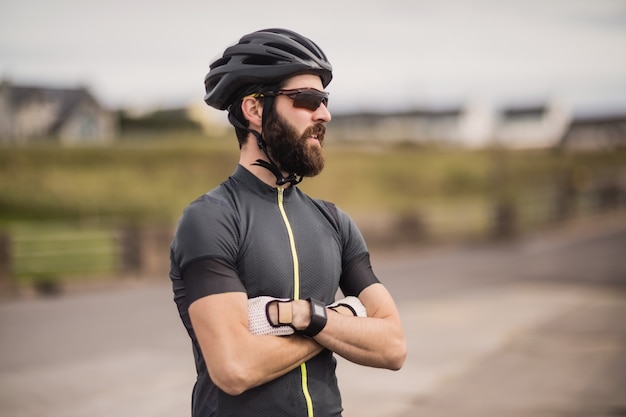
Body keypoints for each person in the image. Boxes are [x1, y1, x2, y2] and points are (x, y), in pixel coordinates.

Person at [169, 28, 406, 417]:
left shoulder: (333, 221)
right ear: (255, 110)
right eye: (308, 99)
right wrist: (335, 321)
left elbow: (393, 345)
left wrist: (301, 316)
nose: (324, 114)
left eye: (325, 100)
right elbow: (235, 367)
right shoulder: (211, 218)